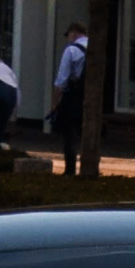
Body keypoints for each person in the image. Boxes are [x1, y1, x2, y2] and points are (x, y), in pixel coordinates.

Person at [51, 22, 88, 175]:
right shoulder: (97, 47)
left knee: (70, 134)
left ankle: (70, 170)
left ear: (73, 33)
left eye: (68, 35)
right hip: (92, 96)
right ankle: (89, 166)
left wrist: (54, 103)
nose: (68, 39)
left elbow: (61, 80)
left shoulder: (72, 50)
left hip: (73, 96)